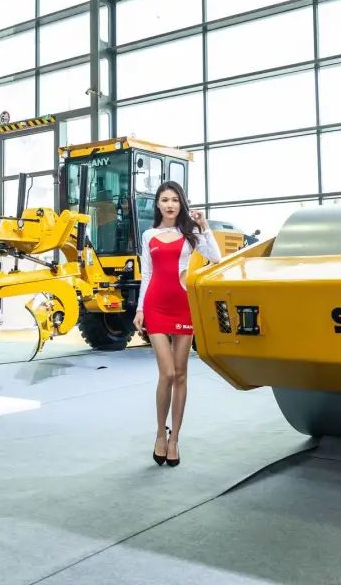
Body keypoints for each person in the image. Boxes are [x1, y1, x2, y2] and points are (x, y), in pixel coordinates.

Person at [133, 181, 222, 468]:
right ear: (157, 204)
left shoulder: (190, 233)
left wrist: (204, 226)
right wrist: (140, 308)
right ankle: (160, 434)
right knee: (168, 373)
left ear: (181, 203)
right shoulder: (149, 235)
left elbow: (215, 258)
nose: (170, 205)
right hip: (156, 306)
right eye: (164, 200)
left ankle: (174, 440)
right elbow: (147, 274)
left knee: (181, 374)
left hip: (183, 306)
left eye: (174, 200)